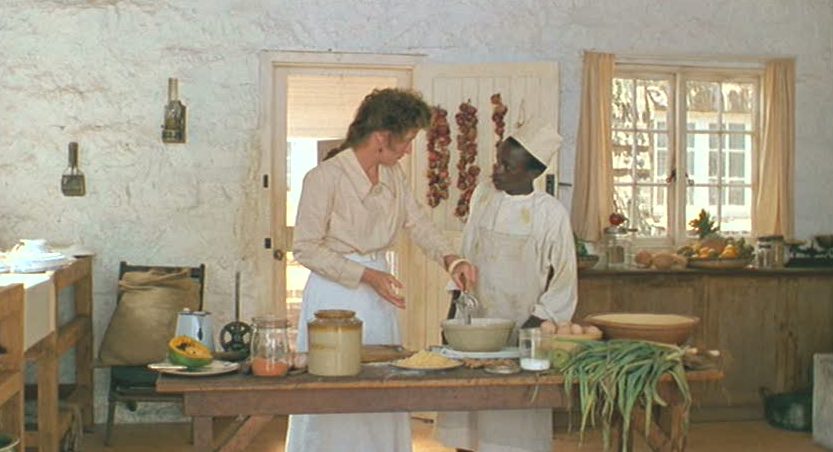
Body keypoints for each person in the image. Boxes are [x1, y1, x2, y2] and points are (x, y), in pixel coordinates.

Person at [286, 87, 477, 452]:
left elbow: (418, 223)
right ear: (380, 138)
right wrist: (367, 276)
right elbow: (305, 248)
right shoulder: (324, 177)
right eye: (406, 142)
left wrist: (451, 259)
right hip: (333, 296)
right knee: (334, 390)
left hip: (378, 295)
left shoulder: (393, 177)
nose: (408, 151)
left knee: (383, 382)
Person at [434, 119, 578, 452]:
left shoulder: (550, 214)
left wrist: (533, 329)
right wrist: (453, 314)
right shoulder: (483, 195)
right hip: (472, 325)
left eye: (507, 166)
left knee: (512, 426)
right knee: (467, 419)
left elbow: (564, 281)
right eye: (498, 160)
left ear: (532, 174)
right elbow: (467, 254)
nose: (496, 170)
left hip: (519, 327)